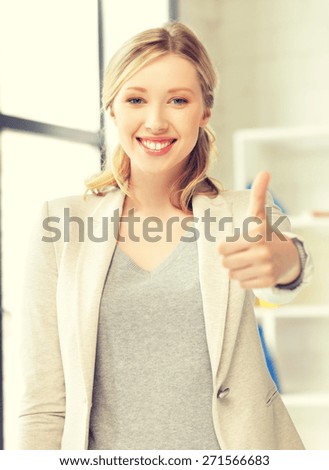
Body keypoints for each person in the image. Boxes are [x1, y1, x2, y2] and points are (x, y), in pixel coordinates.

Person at [18, 22, 313, 450]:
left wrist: (283, 262)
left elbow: (288, 271)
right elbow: (43, 402)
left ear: (204, 112)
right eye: (136, 99)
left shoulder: (242, 212)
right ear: (113, 109)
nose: (156, 122)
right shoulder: (60, 223)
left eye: (178, 100)